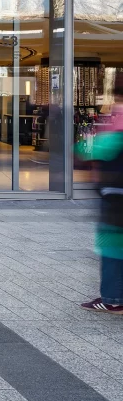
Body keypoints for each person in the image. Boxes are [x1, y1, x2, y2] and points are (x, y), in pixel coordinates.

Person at [78, 76, 123, 314]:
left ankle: (113, 299)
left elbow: (95, 150)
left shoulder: (119, 118)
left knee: (113, 249)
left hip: (116, 198)